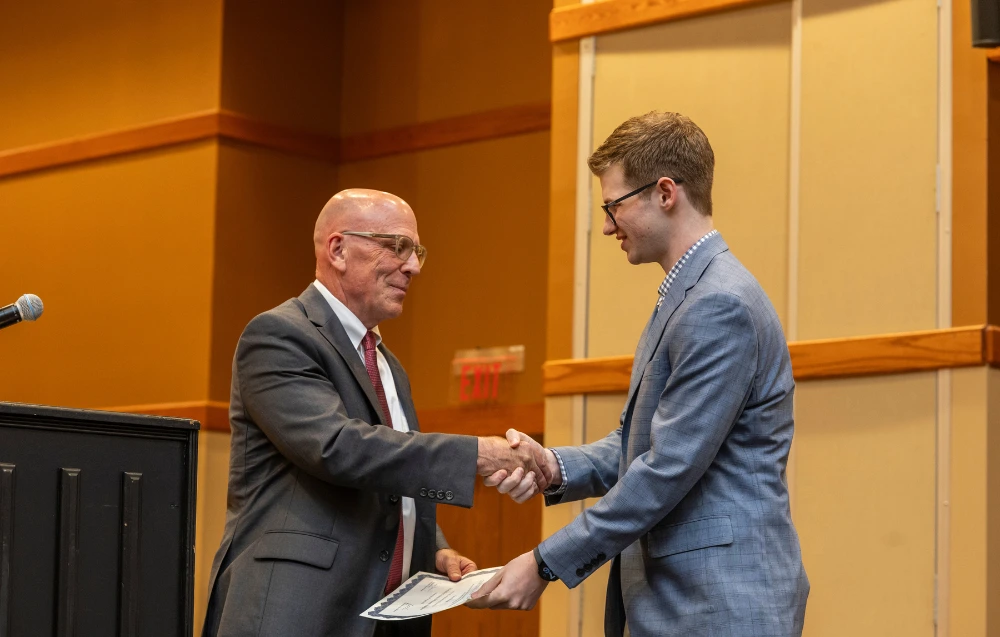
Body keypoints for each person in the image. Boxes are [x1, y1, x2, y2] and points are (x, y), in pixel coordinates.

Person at [469, 112, 810, 636]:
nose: (608, 225)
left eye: (614, 205)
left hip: (719, 603)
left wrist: (544, 563)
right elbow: (642, 444)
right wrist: (553, 466)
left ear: (665, 193)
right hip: (688, 602)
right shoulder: (692, 294)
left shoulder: (717, 303)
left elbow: (666, 468)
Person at [202, 188, 548, 637]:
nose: (414, 266)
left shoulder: (388, 364)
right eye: (397, 246)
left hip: (383, 617)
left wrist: (431, 548)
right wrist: (477, 454)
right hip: (294, 611)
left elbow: (389, 475)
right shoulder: (279, 336)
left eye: (417, 251)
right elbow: (337, 448)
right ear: (338, 249)